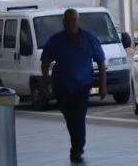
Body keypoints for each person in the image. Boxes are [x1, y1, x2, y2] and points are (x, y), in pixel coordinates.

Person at [40, 9, 107, 164]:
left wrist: (102, 85)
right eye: (68, 20)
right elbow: (45, 62)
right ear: (64, 22)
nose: (71, 23)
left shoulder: (89, 39)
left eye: (74, 20)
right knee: (70, 119)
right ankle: (76, 145)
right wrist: (45, 83)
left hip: (82, 86)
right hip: (62, 86)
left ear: (78, 20)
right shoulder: (56, 41)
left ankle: (77, 149)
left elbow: (101, 62)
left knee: (79, 116)